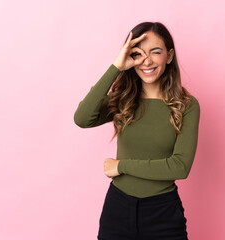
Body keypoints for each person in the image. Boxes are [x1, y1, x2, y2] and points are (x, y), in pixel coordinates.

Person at [74, 21, 200, 240]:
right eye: (138, 54)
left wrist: (122, 166)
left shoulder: (187, 105)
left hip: (163, 213)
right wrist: (116, 67)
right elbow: (82, 118)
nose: (147, 61)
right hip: (118, 208)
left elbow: (179, 167)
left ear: (169, 56)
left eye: (155, 52)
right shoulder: (123, 99)